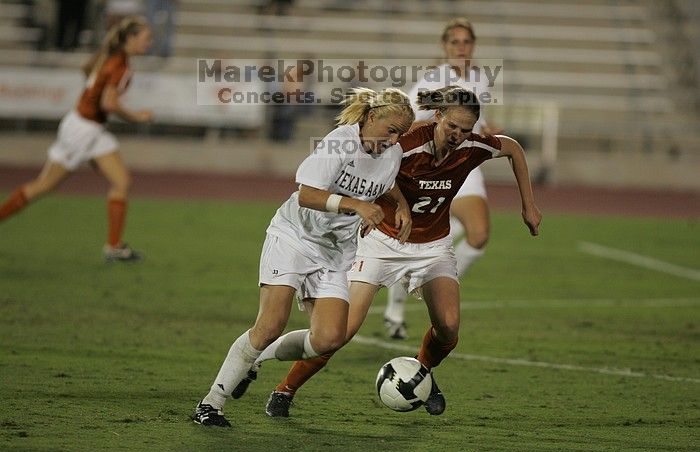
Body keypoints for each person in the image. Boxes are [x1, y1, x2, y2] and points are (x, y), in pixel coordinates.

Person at [234, 86, 542, 417]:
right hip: (381, 241)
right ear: (437, 116)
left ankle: (421, 373)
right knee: (341, 332)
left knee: (449, 327)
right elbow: (372, 167)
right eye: (452, 126)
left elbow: (513, 149)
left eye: (466, 129)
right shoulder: (406, 142)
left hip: (433, 246)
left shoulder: (473, 146)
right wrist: (392, 205)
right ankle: (283, 388)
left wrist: (529, 205)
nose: (458, 135)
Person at [192, 87, 415, 427]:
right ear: (371, 117)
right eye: (391, 130)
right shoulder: (340, 141)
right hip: (294, 238)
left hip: (335, 252)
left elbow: (384, 183)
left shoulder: (392, 153)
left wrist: (399, 204)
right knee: (269, 325)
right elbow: (307, 194)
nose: (395, 139)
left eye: (401, 133)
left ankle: (256, 360)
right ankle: (211, 403)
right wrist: (356, 205)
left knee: (328, 339)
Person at [384, 18, 502, 339]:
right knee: (407, 235)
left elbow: (477, 120)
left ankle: (430, 283)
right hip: (430, 166)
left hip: (465, 166)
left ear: (473, 45)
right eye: (455, 42)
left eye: (466, 42)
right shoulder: (435, 79)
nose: (461, 48)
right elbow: (406, 114)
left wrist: (486, 131)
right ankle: (395, 309)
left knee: (478, 234)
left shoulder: (479, 80)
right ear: (444, 46)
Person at [0, 16, 153, 261]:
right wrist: (137, 117)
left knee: (122, 181)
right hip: (82, 131)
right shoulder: (121, 66)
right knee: (44, 186)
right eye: (146, 38)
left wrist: (93, 94)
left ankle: (114, 248)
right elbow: (109, 103)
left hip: (91, 128)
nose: (149, 43)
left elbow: (85, 71)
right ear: (130, 38)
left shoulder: (109, 55)